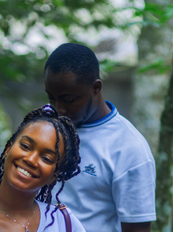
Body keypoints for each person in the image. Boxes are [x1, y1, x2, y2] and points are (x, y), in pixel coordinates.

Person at [44, 43, 156, 232]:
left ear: (95, 88)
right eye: (51, 98)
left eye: (68, 99)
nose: (59, 109)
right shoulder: (45, 128)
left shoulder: (130, 148)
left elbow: (137, 228)